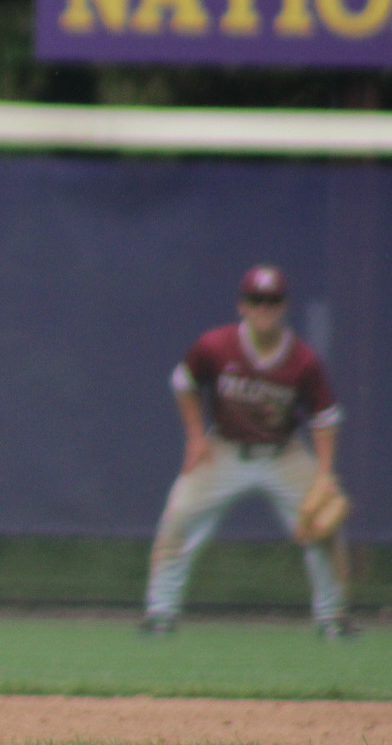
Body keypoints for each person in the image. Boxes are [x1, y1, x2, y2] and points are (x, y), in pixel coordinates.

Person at [140, 264, 351, 638]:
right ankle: (160, 613)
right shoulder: (215, 345)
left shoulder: (303, 359)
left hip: (283, 454)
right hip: (224, 449)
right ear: (242, 306)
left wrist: (325, 473)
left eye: (272, 300)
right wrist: (195, 436)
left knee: (323, 528)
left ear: (284, 306)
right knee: (178, 518)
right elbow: (183, 383)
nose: (264, 307)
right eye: (256, 299)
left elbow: (325, 418)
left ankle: (333, 619)